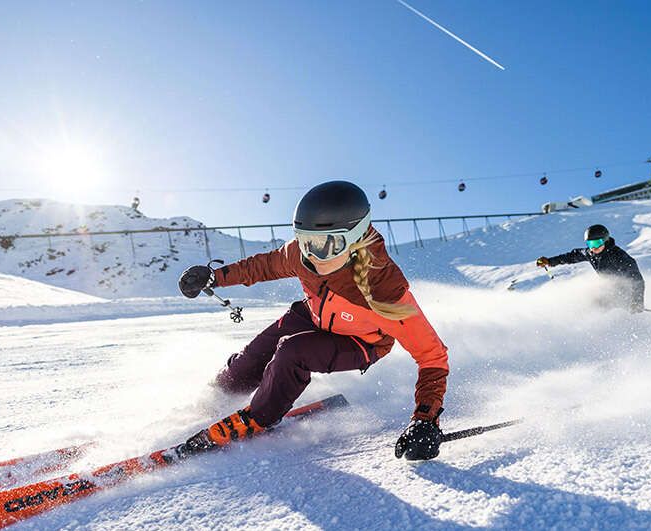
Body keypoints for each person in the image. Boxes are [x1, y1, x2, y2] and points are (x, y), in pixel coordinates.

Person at [177, 180, 449, 461]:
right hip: (314, 314)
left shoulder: (385, 291)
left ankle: (260, 416)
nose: (312, 255)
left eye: (326, 245)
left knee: (292, 352)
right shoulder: (301, 254)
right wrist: (215, 278)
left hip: (361, 341)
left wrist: (425, 420)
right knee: (252, 357)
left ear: (355, 239)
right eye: (305, 241)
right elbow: (264, 266)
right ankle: (221, 391)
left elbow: (432, 358)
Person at [536, 224, 645, 313]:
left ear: (605, 241)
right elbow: (570, 256)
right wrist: (550, 261)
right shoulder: (590, 253)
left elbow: (637, 280)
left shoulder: (619, 256)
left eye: (597, 243)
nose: (594, 247)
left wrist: (637, 301)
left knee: (612, 307)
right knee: (593, 305)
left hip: (625, 290)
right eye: (590, 243)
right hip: (608, 288)